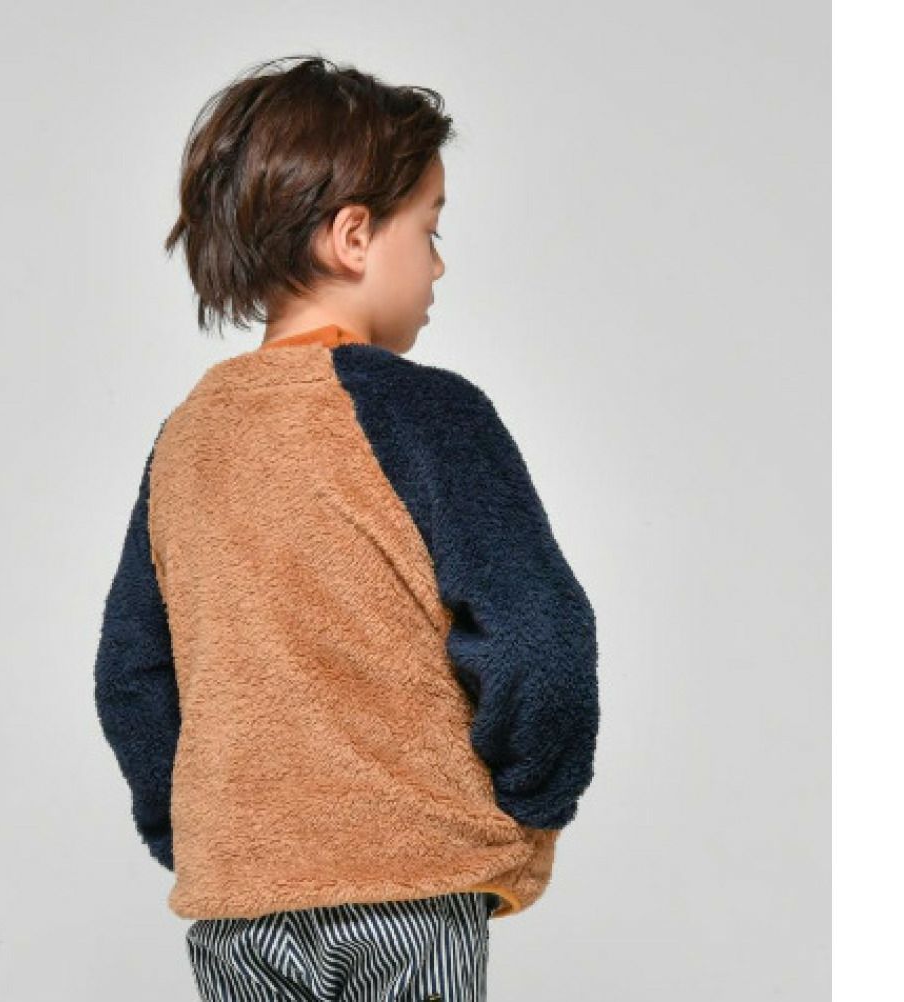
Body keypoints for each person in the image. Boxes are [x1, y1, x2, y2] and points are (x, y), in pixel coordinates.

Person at [94, 54, 600, 1002]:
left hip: (240, 905)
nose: (439, 264)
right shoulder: (431, 414)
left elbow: (132, 676)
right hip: (411, 884)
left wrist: (203, 834)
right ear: (355, 236)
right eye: (431, 228)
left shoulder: (186, 439)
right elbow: (540, 636)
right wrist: (533, 803)